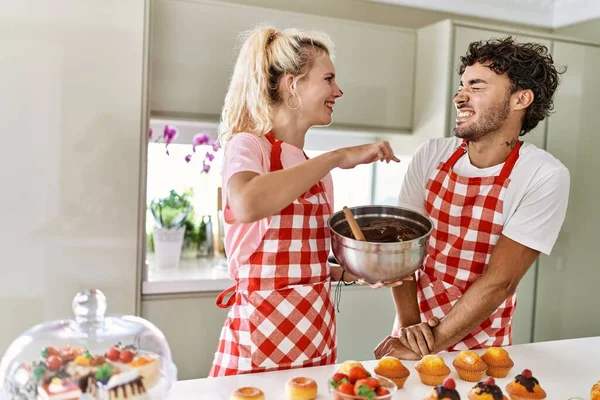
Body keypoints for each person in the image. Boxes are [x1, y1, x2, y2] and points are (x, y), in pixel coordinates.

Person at [209, 26, 400, 377]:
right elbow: (248, 203)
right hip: (258, 345)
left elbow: (303, 268)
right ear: (291, 84)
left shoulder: (317, 174)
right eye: (328, 79)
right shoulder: (249, 147)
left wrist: (359, 270)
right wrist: (336, 157)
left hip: (315, 337)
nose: (338, 91)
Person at [374, 37, 570, 360]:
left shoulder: (543, 175)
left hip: (483, 356)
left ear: (521, 99)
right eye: (462, 85)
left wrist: (430, 344)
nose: (459, 97)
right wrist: (413, 332)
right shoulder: (431, 156)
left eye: (476, 87)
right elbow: (401, 250)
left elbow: (499, 282)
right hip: (411, 342)